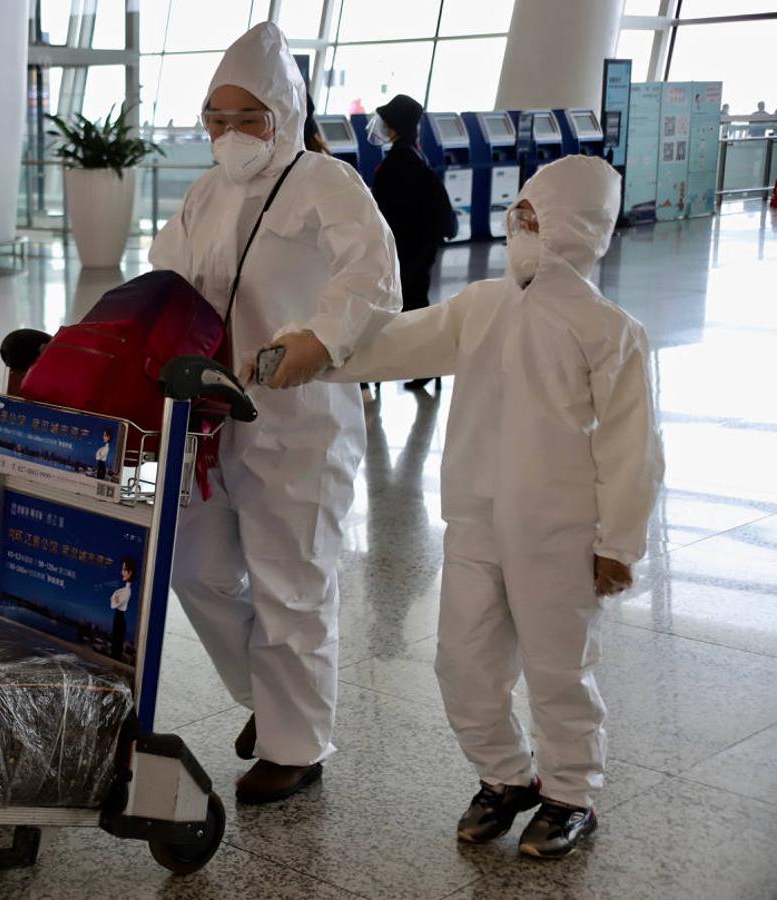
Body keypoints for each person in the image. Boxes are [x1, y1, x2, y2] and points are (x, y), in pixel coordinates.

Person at [249, 155, 664, 857]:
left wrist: (618, 543)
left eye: (536, 217)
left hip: (558, 534)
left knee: (558, 668)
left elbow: (632, 450)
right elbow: (398, 340)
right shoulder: (481, 305)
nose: (519, 227)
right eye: (518, 213)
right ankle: (504, 777)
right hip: (473, 519)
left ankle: (569, 793)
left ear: (579, 228)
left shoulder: (609, 331)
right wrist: (317, 349)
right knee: (463, 660)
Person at [150, 22, 401, 805]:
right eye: (215, 119)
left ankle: (295, 746)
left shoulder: (325, 183)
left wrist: (318, 340)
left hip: (297, 421)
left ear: (283, 113)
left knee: (291, 584)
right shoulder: (205, 191)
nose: (228, 135)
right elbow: (160, 283)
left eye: (246, 117)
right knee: (195, 569)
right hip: (207, 417)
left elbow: (372, 276)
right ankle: (269, 696)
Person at [367, 95, 456, 391]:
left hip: (405, 250)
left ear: (395, 127)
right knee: (416, 305)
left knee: (404, 308)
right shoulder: (414, 155)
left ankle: (421, 366)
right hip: (420, 248)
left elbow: (384, 210)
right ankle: (428, 366)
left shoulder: (398, 162)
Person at [109, 559, 136, 659]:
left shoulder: (127, 591)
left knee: (117, 643)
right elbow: (112, 600)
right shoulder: (122, 590)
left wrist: (115, 597)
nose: (122, 572)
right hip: (118, 616)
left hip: (120, 617)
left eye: (124, 570)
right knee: (115, 642)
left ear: (130, 572)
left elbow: (113, 604)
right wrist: (115, 597)